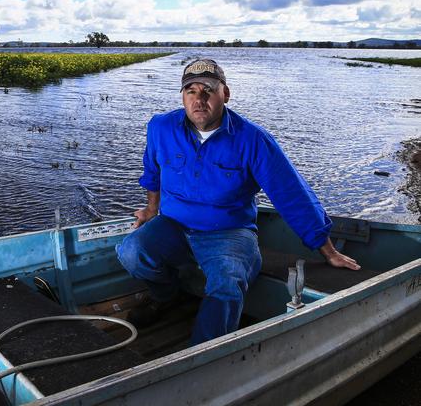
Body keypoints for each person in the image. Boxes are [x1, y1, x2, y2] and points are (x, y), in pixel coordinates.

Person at [116, 58, 360, 345]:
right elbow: (152, 172)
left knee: (227, 282)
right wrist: (151, 210)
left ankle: (203, 355)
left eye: (208, 90)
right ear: (182, 96)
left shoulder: (254, 140)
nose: (199, 99)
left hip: (228, 232)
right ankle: (166, 296)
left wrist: (328, 250)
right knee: (131, 251)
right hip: (173, 224)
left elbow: (292, 196)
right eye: (191, 91)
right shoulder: (161, 127)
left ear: (225, 94)